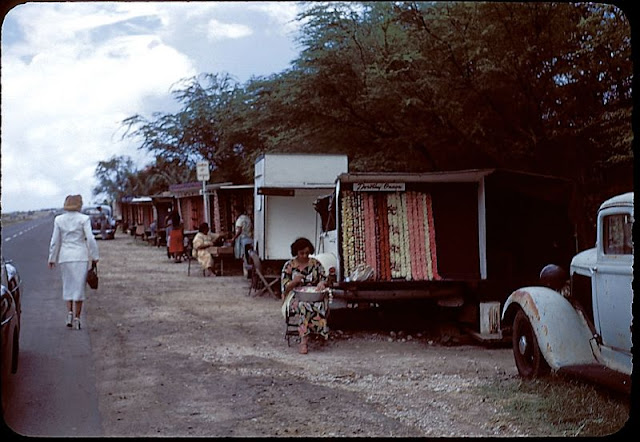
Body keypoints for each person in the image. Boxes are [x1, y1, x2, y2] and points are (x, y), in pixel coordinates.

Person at [48, 194, 99, 330]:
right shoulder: (84, 219)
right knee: (79, 287)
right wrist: (95, 255)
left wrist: (52, 258)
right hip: (80, 256)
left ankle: (69, 314)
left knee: (68, 285)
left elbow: (55, 241)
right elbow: (90, 238)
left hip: (65, 257)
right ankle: (77, 318)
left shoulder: (59, 220)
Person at [280, 237, 328, 354]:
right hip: (295, 296)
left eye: (307, 253)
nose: (305, 256)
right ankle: (304, 341)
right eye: (302, 253)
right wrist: (294, 282)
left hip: (313, 295)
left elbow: (324, 278)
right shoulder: (289, 266)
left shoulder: (315, 264)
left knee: (318, 304)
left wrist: (322, 283)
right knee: (303, 305)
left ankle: (315, 334)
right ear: (296, 252)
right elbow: (284, 288)